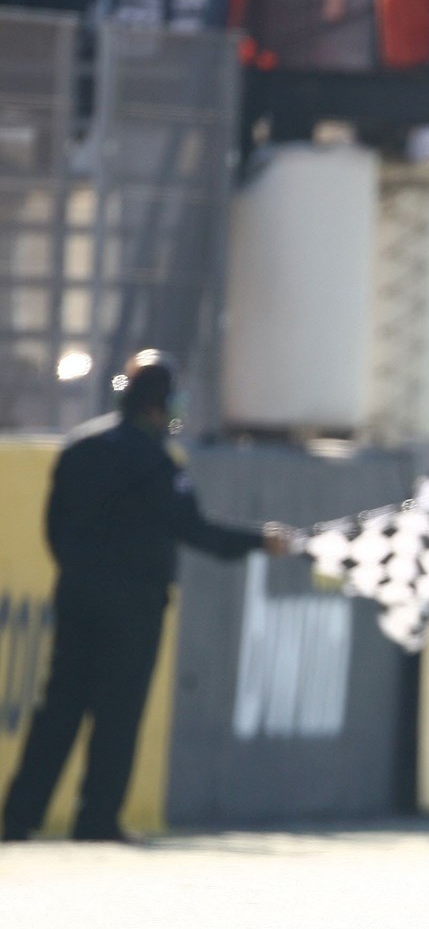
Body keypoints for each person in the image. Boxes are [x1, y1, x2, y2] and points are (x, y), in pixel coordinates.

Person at [1, 350, 293, 843]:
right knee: (118, 712)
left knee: (60, 705)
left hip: (78, 595)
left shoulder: (81, 448)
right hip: (134, 606)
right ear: (160, 406)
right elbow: (198, 531)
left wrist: (80, 572)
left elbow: (55, 526)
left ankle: (19, 816)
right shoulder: (157, 464)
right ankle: (96, 819)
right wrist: (259, 541)